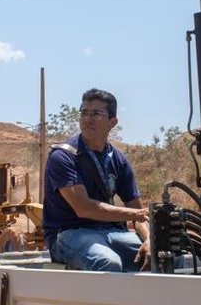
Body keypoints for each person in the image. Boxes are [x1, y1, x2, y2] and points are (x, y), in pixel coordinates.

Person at [42, 89, 149, 272]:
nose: (88, 119)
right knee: (108, 263)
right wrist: (134, 214)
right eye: (84, 113)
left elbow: (138, 213)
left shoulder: (118, 160)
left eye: (96, 114)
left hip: (111, 232)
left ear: (112, 122)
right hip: (69, 234)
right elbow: (83, 207)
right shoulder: (63, 156)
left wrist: (149, 240)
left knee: (164, 256)